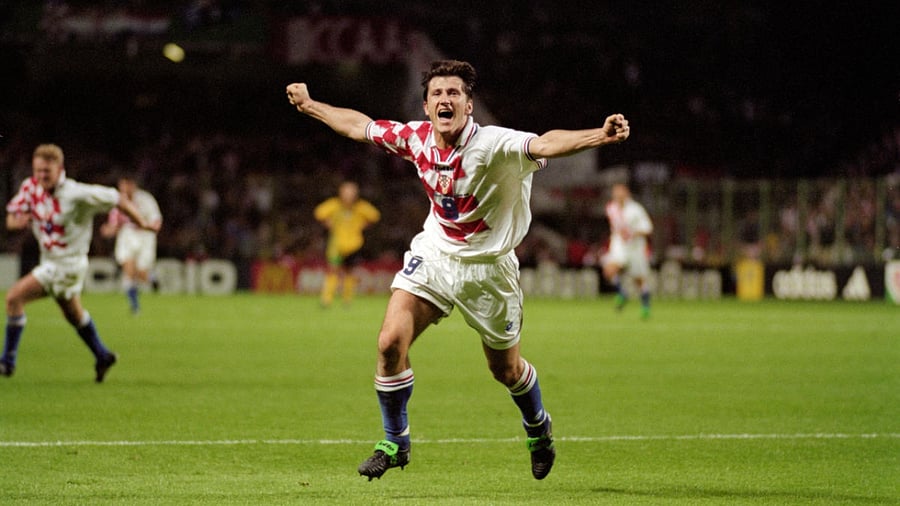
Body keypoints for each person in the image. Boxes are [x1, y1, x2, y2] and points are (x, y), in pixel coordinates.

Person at [286, 60, 630, 481]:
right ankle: (395, 442)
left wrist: (599, 135)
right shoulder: (415, 138)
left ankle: (538, 427)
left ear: (469, 106)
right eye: (437, 94)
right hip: (435, 256)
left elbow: (544, 144)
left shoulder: (495, 145)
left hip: (488, 271)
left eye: (454, 93)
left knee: (505, 371)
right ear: (427, 106)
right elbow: (361, 126)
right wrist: (310, 106)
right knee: (390, 342)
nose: (445, 100)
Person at [2, 144, 160, 382]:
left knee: (14, 298)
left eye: (47, 171)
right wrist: (19, 222)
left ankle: (7, 362)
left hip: (68, 264)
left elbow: (118, 199)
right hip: (51, 261)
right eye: (38, 171)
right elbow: (11, 219)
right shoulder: (30, 187)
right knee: (73, 315)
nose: (42, 176)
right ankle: (102, 355)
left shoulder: (77, 194)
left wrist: (144, 224)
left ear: (60, 169)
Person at [100, 175, 162, 314]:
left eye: (126, 185)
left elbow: (156, 219)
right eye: (121, 185)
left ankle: (151, 278)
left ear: (133, 185)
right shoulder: (118, 201)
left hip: (145, 236)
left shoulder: (146, 200)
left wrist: (150, 227)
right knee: (129, 270)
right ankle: (135, 307)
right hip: (127, 235)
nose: (123, 188)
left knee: (141, 273)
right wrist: (109, 230)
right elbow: (114, 224)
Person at [313, 181, 380, 307]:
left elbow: (375, 216)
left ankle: (347, 300)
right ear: (341, 193)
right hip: (337, 245)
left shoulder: (360, 207)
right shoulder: (334, 205)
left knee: (350, 272)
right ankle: (326, 299)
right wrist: (329, 223)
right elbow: (319, 213)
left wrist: (362, 225)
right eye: (347, 192)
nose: (349, 195)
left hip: (354, 245)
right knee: (333, 270)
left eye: (352, 192)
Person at [602, 183, 654, 318]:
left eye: (620, 193)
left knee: (639, 279)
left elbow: (648, 228)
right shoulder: (611, 208)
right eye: (615, 193)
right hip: (620, 245)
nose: (617, 195)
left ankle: (645, 306)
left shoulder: (636, 209)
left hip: (636, 247)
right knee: (609, 270)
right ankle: (622, 292)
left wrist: (634, 233)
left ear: (627, 194)